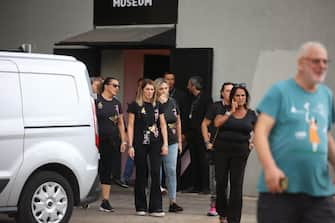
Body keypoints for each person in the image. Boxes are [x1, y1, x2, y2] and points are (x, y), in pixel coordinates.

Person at [254, 42, 335, 223]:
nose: (322, 66)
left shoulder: (326, 95)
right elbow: (260, 131)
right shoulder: (280, 91)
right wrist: (270, 168)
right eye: (315, 61)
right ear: (300, 63)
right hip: (280, 189)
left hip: (319, 192)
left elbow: (325, 135)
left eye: (325, 61)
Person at [213, 84, 257, 223]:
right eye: (237, 95)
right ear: (232, 97)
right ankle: (222, 212)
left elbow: (258, 129)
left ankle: (234, 219)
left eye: (243, 95)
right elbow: (216, 123)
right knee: (220, 182)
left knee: (236, 185)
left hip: (240, 152)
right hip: (221, 151)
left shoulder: (251, 113)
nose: (240, 98)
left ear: (246, 97)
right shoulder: (224, 110)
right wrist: (230, 111)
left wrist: (252, 143)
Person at [127, 78, 169, 217]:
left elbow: (162, 124)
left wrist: (165, 143)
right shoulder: (135, 105)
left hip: (156, 142)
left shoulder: (158, 105)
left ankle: (156, 207)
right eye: (147, 89)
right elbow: (131, 126)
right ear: (142, 90)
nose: (150, 92)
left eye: (152, 89)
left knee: (156, 172)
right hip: (140, 143)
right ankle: (141, 206)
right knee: (141, 173)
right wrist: (130, 145)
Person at [201, 82, 234, 216]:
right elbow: (204, 124)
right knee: (216, 179)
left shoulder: (238, 108)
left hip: (233, 148)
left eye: (232, 91)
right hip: (217, 148)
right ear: (222, 93)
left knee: (232, 179)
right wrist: (206, 141)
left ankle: (228, 204)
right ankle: (214, 205)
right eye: (227, 91)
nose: (230, 93)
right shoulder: (215, 107)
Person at [95, 77, 127, 212]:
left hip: (111, 141)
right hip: (96, 142)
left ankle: (105, 201)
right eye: (115, 85)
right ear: (106, 86)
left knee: (107, 170)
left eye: (118, 86)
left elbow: (120, 123)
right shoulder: (96, 101)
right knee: (95, 169)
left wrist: (124, 140)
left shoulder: (116, 104)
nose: (117, 88)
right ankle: (85, 198)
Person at [154, 78, 184, 212]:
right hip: (155, 141)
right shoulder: (153, 104)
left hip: (172, 141)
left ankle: (173, 201)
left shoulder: (173, 102)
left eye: (166, 88)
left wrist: (180, 141)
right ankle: (155, 200)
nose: (164, 91)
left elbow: (178, 121)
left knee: (171, 170)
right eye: (161, 88)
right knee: (156, 171)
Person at [185, 76, 213, 193]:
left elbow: (209, 116)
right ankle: (195, 185)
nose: (187, 86)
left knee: (203, 159)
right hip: (192, 133)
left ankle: (205, 187)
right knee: (194, 159)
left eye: (189, 84)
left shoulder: (206, 98)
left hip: (202, 133)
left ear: (193, 85)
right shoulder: (190, 98)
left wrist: (209, 131)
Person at [122, 78, 144, 186]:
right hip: (135, 132)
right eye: (140, 85)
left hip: (144, 133)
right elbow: (131, 122)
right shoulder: (136, 101)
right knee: (132, 155)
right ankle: (126, 177)